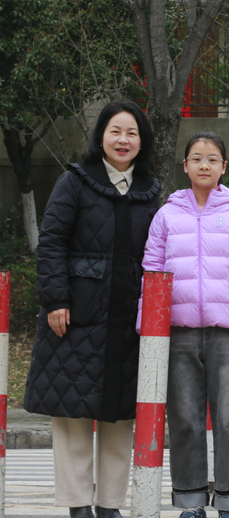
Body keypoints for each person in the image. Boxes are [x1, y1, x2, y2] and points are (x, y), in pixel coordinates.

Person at [24, 100, 161, 518]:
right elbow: (51, 244)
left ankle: (110, 505)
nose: (123, 140)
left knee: (121, 418)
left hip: (128, 321)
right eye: (115, 131)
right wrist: (56, 300)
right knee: (73, 415)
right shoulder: (75, 182)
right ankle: (78, 503)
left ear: (142, 140)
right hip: (77, 317)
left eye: (132, 132)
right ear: (101, 135)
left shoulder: (151, 191)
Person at [141, 131, 229, 518]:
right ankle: (191, 501)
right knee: (184, 419)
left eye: (212, 158)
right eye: (197, 158)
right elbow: (151, 271)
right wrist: (148, 331)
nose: (204, 164)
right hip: (178, 333)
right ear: (184, 166)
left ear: (224, 167)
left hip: (228, 333)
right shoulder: (166, 215)